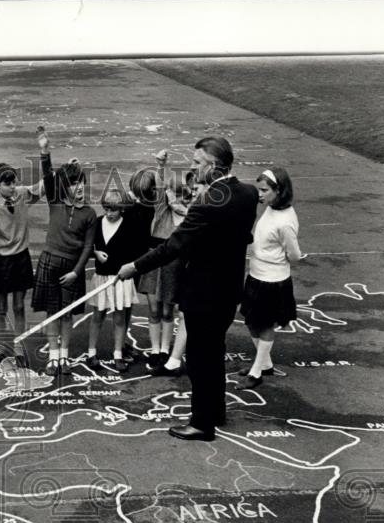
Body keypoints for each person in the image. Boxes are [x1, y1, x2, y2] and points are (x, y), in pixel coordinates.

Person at [118, 136, 258, 441]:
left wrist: (135, 267)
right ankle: (215, 411)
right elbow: (242, 235)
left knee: (199, 358)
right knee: (215, 351)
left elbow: (173, 246)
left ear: (213, 166)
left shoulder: (206, 204)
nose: (192, 168)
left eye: (197, 163)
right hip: (229, 289)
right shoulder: (248, 194)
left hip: (203, 294)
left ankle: (202, 423)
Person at [30, 127, 98, 374]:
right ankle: (53, 357)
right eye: (73, 183)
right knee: (51, 312)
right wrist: (45, 150)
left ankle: (65, 357)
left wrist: (76, 273)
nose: (78, 187)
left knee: (67, 314)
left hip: (72, 268)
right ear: (65, 187)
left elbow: (88, 247)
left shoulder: (90, 214)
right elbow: (49, 177)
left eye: (81, 182)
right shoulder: (55, 201)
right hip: (50, 261)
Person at [236, 167, 302, 390]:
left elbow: (295, 255)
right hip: (256, 275)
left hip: (273, 281)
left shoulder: (285, 221)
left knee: (264, 325)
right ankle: (265, 363)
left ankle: (257, 371)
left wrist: (274, 259)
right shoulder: (271, 209)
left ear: (279, 190)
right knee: (252, 322)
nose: (260, 194)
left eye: (264, 190)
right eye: (259, 189)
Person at [0, 159, 42, 363]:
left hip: (21, 259)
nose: (13, 187)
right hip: (1, 262)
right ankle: (0, 346)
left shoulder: (23, 195)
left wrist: (48, 157)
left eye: (14, 183)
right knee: (1, 307)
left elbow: (45, 186)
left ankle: (18, 345)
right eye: (8, 184)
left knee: (19, 306)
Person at [133, 151, 184, 367]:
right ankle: (155, 349)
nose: (175, 197)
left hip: (173, 263)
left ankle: (165, 348)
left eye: (181, 194)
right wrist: (161, 164)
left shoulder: (188, 214)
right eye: (172, 193)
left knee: (167, 309)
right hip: (154, 260)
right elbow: (160, 186)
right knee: (154, 309)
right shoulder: (161, 210)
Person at [87, 189, 142, 372]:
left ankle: (118, 354)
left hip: (120, 279)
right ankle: (91, 353)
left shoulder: (129, 224)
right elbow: (88, 245)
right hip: (102, 277)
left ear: (122, 209)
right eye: (107, 209)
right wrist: (94, 253)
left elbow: (135, 251)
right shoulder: (97, 223)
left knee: (119, 318)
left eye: (114, 210)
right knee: (97, 315)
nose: (110, 213)